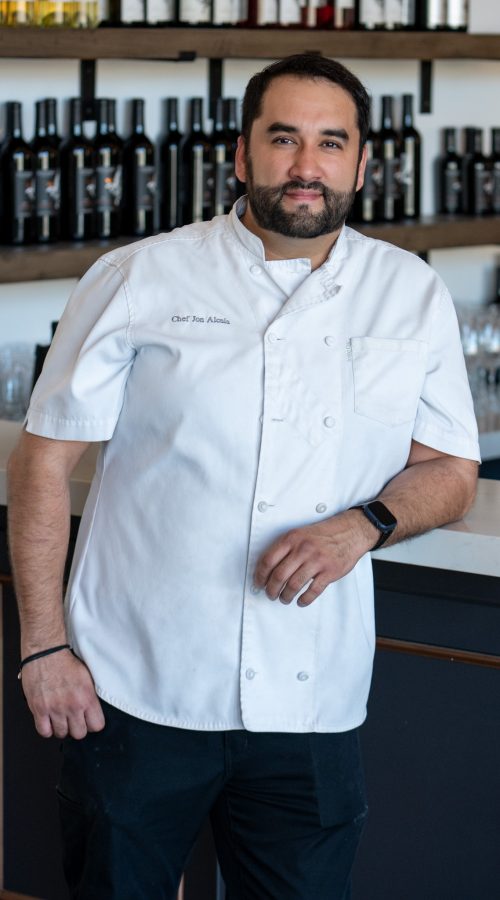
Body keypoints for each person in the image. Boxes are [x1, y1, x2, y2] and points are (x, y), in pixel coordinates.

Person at [8, 53, 479, 900]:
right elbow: (44, 456)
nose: (307, 166)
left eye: (331, 143)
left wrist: (363, 523)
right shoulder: (139, 275)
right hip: (133, 691)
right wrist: (43, 644)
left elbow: (451, 469)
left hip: (310, 706)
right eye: (284, 139)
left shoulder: (410, 293)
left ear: (364, 164)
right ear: (241, 156)